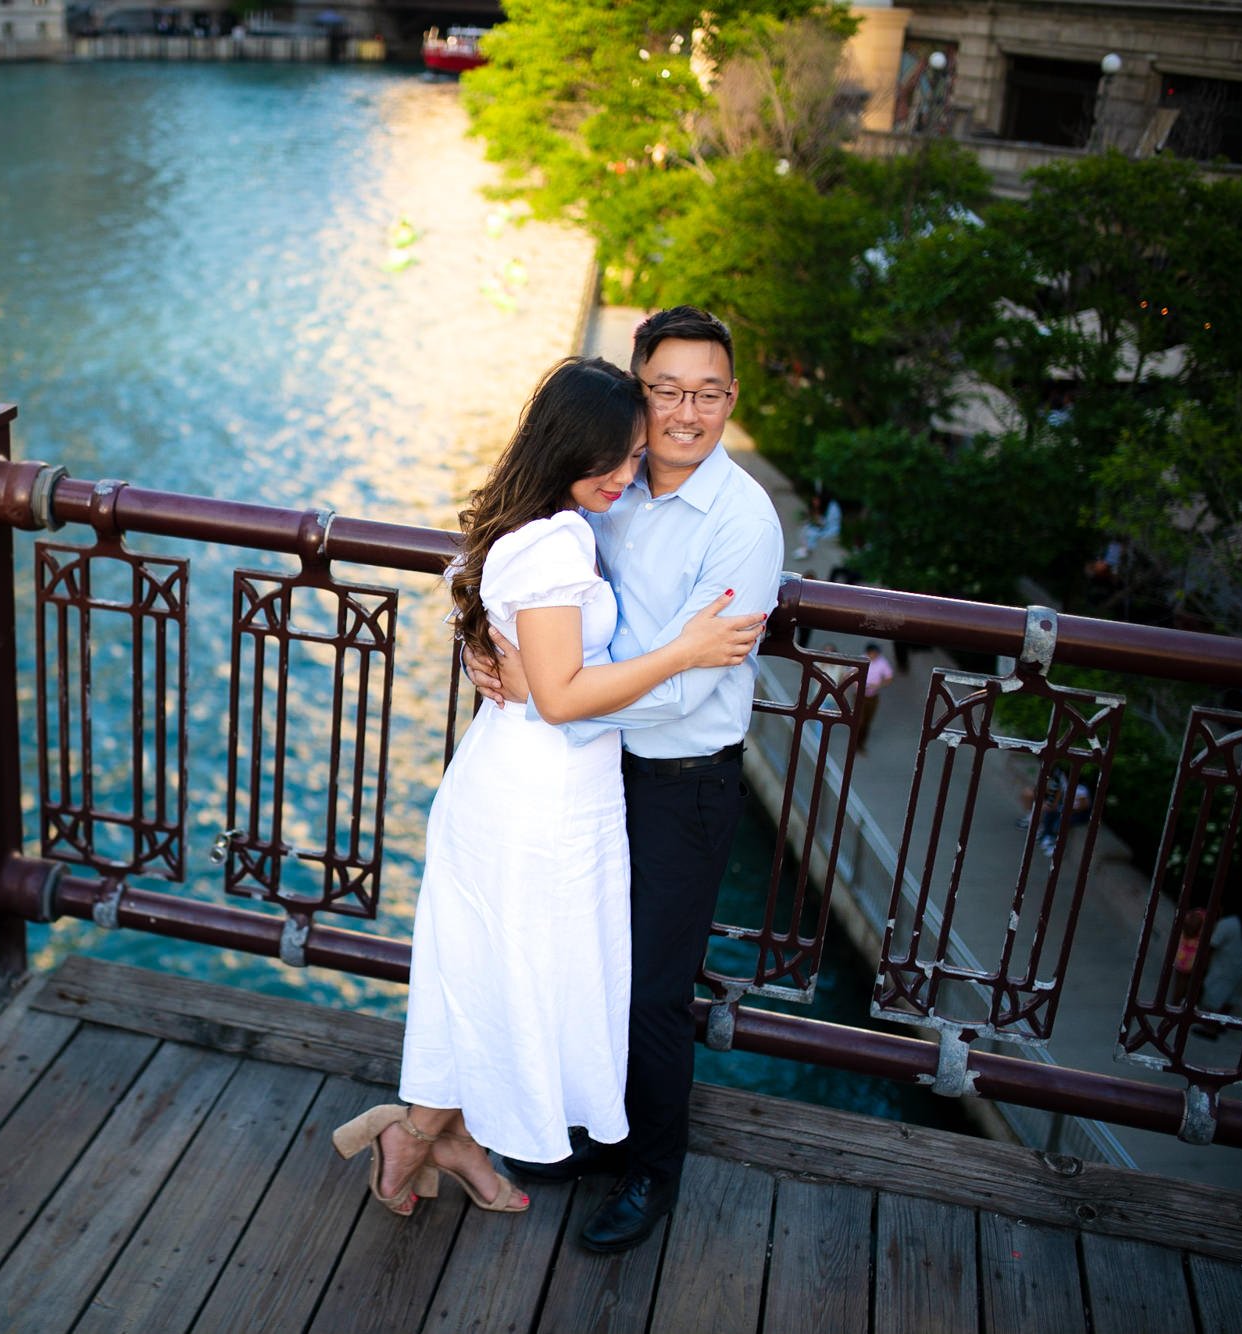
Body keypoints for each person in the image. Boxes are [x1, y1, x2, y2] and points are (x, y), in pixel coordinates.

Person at [333, 357, 765, 1219]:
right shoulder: (561, 537)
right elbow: (564, 697)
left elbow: (539, 673)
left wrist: (511, 661)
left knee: (497, 970)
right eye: (614, 459)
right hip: (538, 795)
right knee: (517, 974)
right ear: (570, 447)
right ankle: (423, 1135)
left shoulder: (541, 519)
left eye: (633, 458)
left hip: (533, 778)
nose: (625, 476)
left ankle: (436, 1135)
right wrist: (684, 651)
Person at [469, 307, 783, 1253]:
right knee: (586, 965)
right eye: (669, 390)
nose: (687, 412)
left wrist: (553, 696)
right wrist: (490, 653)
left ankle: (653, 1169)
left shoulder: (744, 523)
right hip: (591, 779)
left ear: (731, 399)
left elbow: (694, 686)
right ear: (639, 388)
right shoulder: (604, 480)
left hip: (682, 781)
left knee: (651, 990)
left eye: (709, 393)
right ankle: (596, 1135)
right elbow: (508, 573)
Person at [855, 643, 894, 754]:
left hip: (873, 696)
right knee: (860, 721)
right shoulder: (861, 659)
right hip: (860, 695)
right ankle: (855, 743)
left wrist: (879, 685)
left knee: (867, 722)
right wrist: (857, 684)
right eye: (873, 653)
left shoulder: (882, 662)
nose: (875, 655)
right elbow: (851, 674)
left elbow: (889, 677)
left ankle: (861, 744)